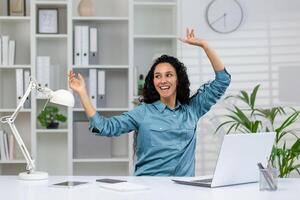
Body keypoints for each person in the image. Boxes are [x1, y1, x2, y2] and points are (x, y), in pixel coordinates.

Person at [69, 28, 231, 176]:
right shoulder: (143, 112)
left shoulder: (192, 109)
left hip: (184, 191)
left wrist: (205, 45)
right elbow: (104, 127)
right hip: (148, 189)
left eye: (169, 75)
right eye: (158, 76)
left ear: (178, 79)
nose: (163, 80)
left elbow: (222, 80)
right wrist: (82, 92)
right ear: (153, 82)